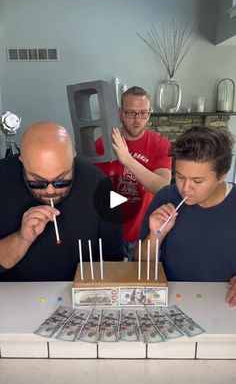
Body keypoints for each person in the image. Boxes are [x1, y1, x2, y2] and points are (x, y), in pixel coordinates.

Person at [0, 121, 123, 282]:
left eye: (61, 181)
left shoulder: (98, 183)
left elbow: (112, 260)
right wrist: (21, 239)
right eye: (37, 182)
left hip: (80, 296)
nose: (50, 191)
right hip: (13, 300)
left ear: (73, 156)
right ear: (21, 160)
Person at [135, 125, 236, 307]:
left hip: (226, 306)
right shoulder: (167, 196)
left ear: (222, 175)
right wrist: (156, 234)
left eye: (197, 181)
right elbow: (140, 263)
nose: (186, 188)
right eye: (180, 176)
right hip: (173, 305)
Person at [96, 86, 172, 260]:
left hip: (143, 236)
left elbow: (162, 187)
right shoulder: (102, 143)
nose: (137, 120)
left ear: (149, 113)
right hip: (109, 234)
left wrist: (127, 159)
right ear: (120, 112)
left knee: (143, 286)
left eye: (143, 113)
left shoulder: (160, 144)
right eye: (130, 113)